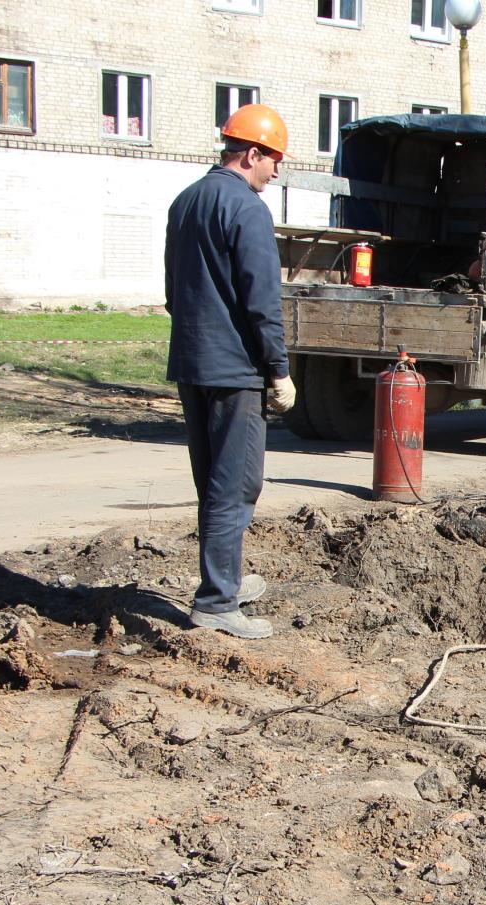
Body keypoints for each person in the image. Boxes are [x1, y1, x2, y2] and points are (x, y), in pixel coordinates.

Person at [165, 103, 296, 639]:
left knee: (212, 480)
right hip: (235, 369)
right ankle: (218, 601)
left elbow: (175, 290)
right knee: (236, 484)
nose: (277, 171)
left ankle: (227, 577)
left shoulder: (186, 201)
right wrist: (279, 369)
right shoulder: (246, 209)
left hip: (193, 363)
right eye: (275, 160)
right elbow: (262, 299)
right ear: (252, 153)